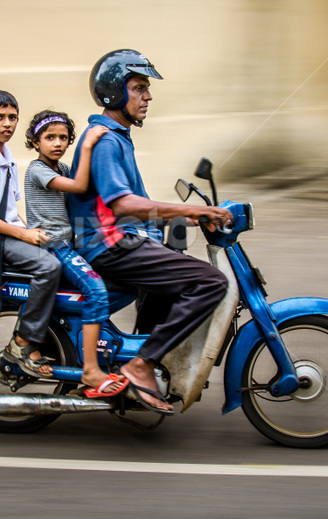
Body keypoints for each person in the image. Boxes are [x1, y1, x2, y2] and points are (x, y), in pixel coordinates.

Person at [68, 50, 235, 413]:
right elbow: (123, 205)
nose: (148, 96)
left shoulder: (119, 137)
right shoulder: (108, 141)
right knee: (210, 283)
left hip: (119, 239)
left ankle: (147, 361)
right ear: (115, 92)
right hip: (109, 244)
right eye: (139, 88)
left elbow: (140, 207)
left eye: (146, 89)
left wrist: (189, 219)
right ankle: (141, 365)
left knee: (174, 262)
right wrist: (194, 208)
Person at [22, 109, 129, 398]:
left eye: (64, 138)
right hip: (53, 247)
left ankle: (96, 341)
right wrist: (87, 144)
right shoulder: (37, 170)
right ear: (35, 141)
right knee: (97, 291)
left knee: (126, 281)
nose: (57, 143)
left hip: (70, 244)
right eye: (49, 137)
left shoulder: (63, 169)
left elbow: (85, 192)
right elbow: (79, 186)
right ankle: (91, 370)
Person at [0, 90, 61, 378]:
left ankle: (52, 338)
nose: (7, 124)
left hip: (7, 233)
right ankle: (22, 343)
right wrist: (23, 235)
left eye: (12, 117)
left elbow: (9, 209)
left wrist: (28, 231)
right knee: (49, 266)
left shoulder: (6, 156)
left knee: (63, 255)